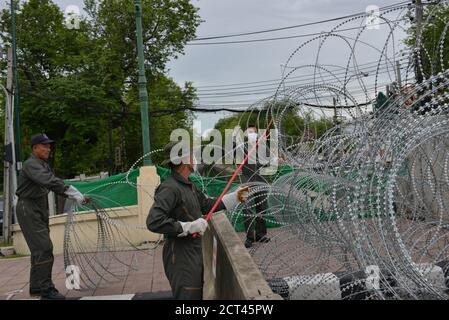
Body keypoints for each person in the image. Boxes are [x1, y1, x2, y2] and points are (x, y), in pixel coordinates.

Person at [147, 141, 248, 300]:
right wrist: (188, 227)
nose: (194, 158)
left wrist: (234, 198)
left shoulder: (188, 185)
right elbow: (154, 220)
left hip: (193, 252)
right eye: (191, 155)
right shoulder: (169, 188)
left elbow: (207, 205)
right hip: (180, 257)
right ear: (185, 160)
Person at [15, 133, 89, 299]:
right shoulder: (31, 164)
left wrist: (78, 197)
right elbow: (49, 181)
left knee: (38, 249)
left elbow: (53, 183)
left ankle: (37, 287)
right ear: (35, 148)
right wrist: (73, 192)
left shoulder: (42, 164)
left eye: (49, 145)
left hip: (39, 206)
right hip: (28, 207)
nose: (48, 148)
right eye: (44, 145)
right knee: (44, 247)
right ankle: (47, 290)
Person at [240, 124, 271, 248]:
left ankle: (261, 234)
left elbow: (268, 163)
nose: (252, 134)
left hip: (261, 178)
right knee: (246, 208)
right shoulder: (242, 147)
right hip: (246, 179)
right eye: (249, 132)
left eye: (254, 132)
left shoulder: (263, 147)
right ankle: (249, 237)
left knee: (261, 207)